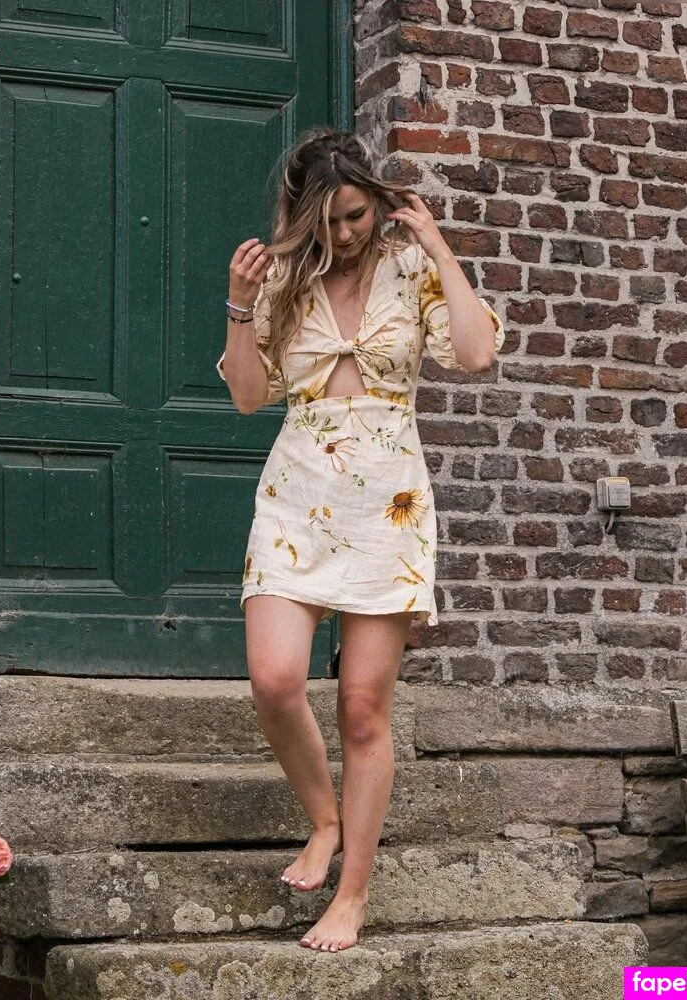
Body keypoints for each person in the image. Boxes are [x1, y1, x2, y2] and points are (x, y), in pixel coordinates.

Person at [216, 127, 505, 953]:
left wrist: (439, 248)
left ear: (376, 202)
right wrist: (239, 304)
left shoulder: (411, 269)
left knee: (362, 710)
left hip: (388, 501)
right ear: (302, 216)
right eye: (329, 221)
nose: (344, 234)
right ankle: (324, 820)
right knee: (276, 680)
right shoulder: (285, 279)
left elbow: (476, 352)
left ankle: (351, 895)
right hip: (297, 492)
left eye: (355, 215)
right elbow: (248, 396)